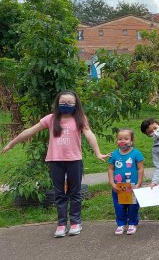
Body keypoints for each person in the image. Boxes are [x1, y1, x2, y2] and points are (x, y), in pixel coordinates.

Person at [1, 90, 108, 238]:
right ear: (57, 103)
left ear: (76, 105)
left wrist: (98, 152)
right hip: (55, 161)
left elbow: (89, 134)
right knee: (59, 194)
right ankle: (61, 224)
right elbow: (30, 131)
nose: (66, 105)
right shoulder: (50, 119)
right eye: (63, 102)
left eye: (70, 103)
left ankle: (76, 222)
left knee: (75, 193)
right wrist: (11, 144)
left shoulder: (80, 118)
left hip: (74, 161)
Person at [107, 128, 144, 235]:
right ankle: (121, 224)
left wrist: (139, 183)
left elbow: (140, 169)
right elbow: (111, 169)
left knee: (133, 206)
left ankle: (132, 223)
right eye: (119, 139)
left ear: (132, 141)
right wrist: (112, 183)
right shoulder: (114, 154)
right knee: (119, 206)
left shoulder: (136, 153)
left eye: (126, 139)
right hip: (118, 187)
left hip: (132, 186)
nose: (122, 141)